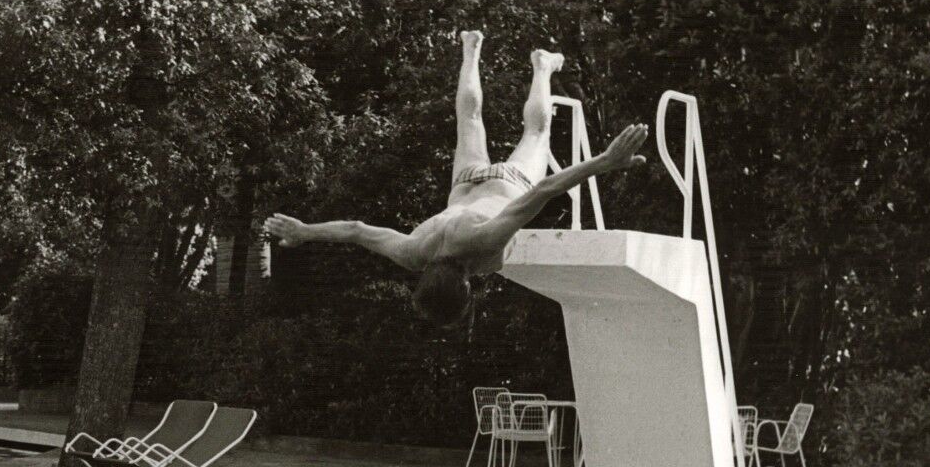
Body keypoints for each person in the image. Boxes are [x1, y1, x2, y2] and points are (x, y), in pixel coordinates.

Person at [265, 30, 652, 328]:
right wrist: (303, 231)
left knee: (535, 132)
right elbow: (355, 229)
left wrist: (603, 161)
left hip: (509, 181)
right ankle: (470, 47)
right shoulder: (412, 253)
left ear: (465, 287)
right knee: (468, 120)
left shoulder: (483, 243)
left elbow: (545, 189)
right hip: (464, 183)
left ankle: (542, 66)